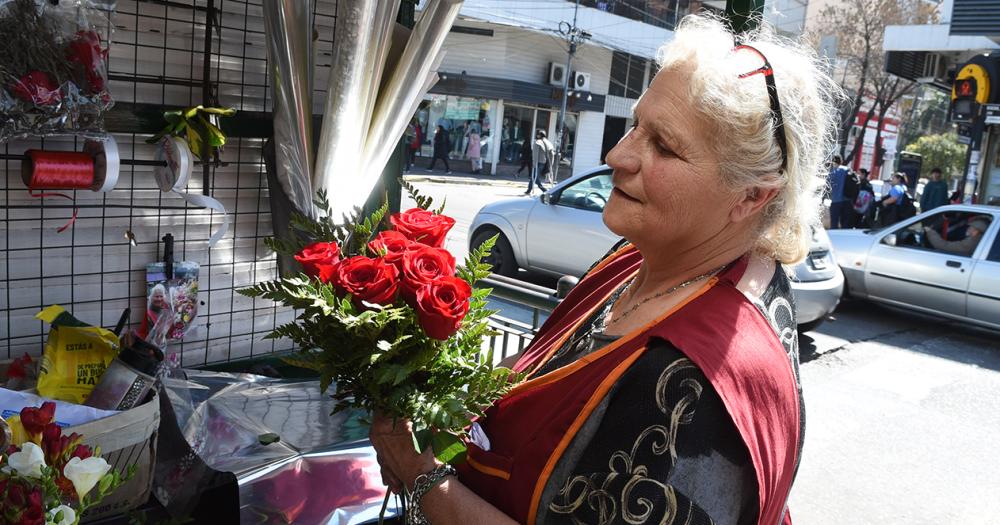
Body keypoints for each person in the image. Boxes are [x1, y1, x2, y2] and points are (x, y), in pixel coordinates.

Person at [370, 14, 837, 525]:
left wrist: (423, 479)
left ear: (751, 195)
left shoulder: (700, 387)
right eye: (636, 124)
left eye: (664, 146)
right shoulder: (640, 257)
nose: (618, 154)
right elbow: (549, 370)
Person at [924, 217, 990, 256]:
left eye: (970, 227)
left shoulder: (971, 243)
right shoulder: (979, 240)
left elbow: (943, 246)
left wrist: (930, 232)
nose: (968, 229)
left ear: (976, 232)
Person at [526, 130, 554, 195]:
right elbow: (552, 154)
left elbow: (535, 154)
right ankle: (529, 190)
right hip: (545, 162)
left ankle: (544, 189)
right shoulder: (548, 142)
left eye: (537, 134)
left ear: (539, 135)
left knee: (534, 176)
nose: (536, 135)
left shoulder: (537, 142)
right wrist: (550, 164)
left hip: (538, 162)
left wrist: (534, 163)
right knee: (534, 176)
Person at [827, 155, 851, 228]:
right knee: (845, 224)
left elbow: (828, 185)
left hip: (836, 201)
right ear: (841, 162)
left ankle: (834, 237)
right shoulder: (847, 170)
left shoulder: (833, 172)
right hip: (847, 201)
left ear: (833, 162)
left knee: (834, 222)